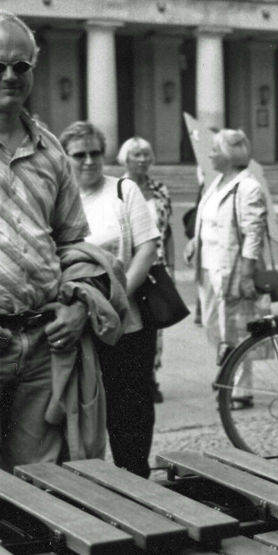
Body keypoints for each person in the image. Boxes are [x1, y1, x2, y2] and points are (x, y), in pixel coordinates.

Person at [0, 11, 99, 485]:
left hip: (43, 346)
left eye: (21, 65)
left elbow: (72, 241)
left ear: (33, 68)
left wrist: (77, 305)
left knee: (39, 487)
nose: (10, 75)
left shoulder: (51, 149)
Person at [60, 122, 159, 478]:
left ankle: (134, 478)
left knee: (129, 406)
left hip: (126, 320)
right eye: (79, 154)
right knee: (83, 407)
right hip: (77, 322)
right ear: (65, 157)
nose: (88, 161)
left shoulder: (123, 189)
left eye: (95, 153)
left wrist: (115, 298)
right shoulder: (60, 197)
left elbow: (147, 247)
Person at [185, 129, 270, 410]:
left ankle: (240, 389)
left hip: (232, 268)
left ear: (229, 154)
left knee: (238, 325)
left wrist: (247, 273)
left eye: (215, 150)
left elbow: (253, 233)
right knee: (214, 324)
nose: (209, 154)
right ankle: (227, 372)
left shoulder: (248, 187)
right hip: (208, 266)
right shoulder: (218, 182)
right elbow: (208, 220)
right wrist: (195, 243)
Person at [117, 137, 174, 403]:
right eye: (136, 155)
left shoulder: (160, 190)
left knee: (155, 323)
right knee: (131, 322)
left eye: (146, 155)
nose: (142, 160)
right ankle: (134, 375)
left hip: (158, 266)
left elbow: (168, 231)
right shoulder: (117, 189)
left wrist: (170, 267)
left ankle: (151, 376)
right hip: (130, 266)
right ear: (125, 158)